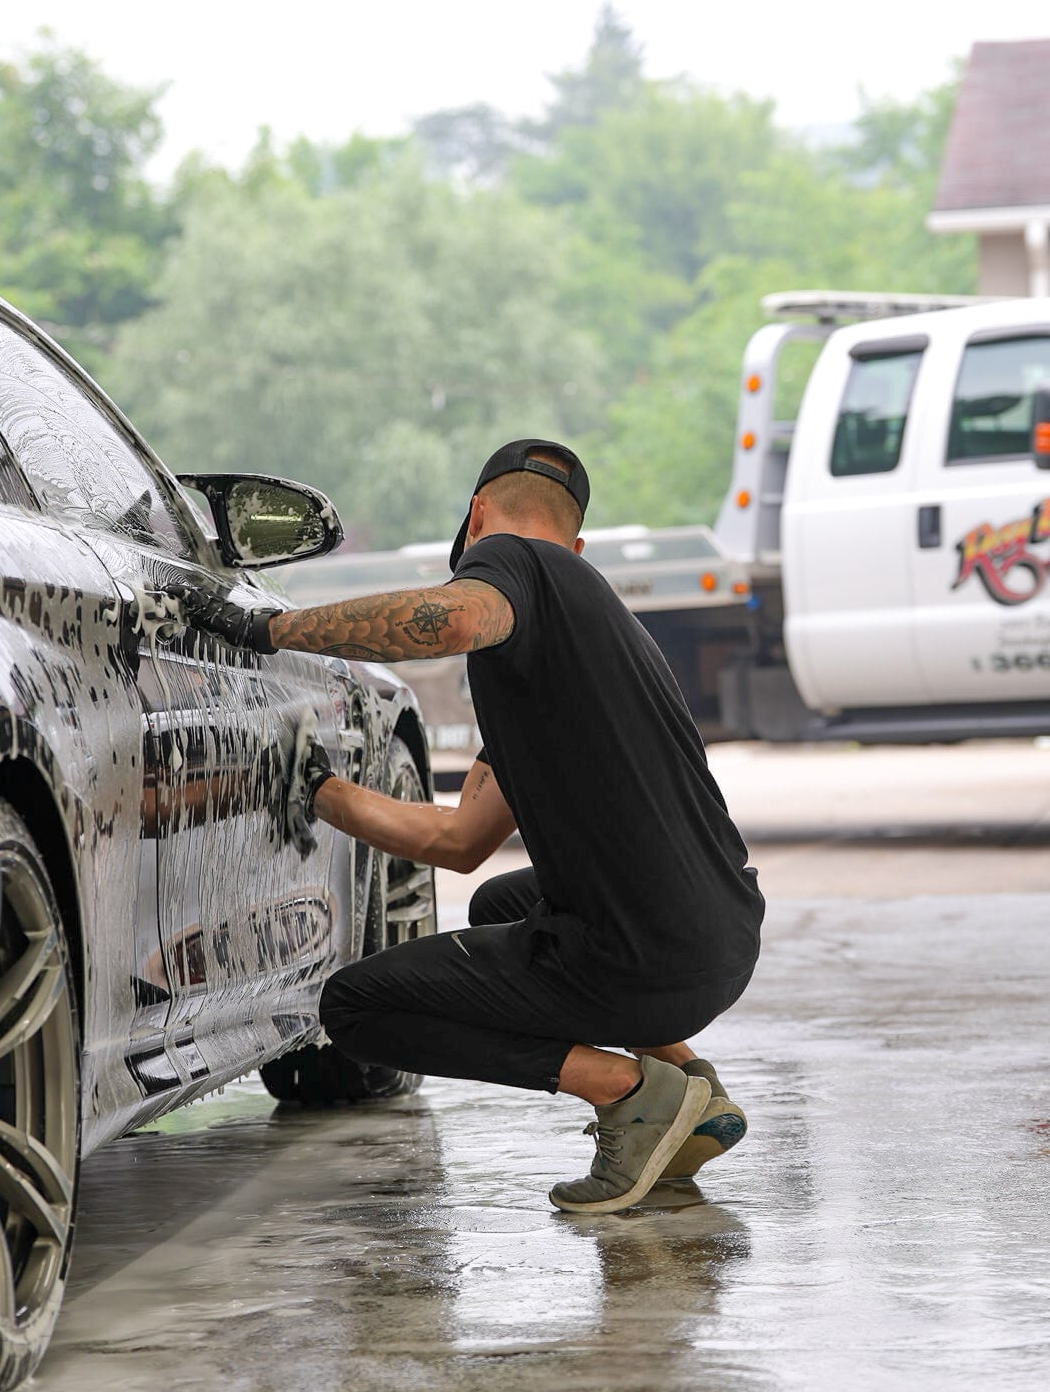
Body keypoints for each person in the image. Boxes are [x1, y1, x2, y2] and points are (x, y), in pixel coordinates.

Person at [179, 439, 764, 1213]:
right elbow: (460, 843)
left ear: (477, 514)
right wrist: (319, 790)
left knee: (355, 1009)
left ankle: (626, 1091)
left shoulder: (521, 563)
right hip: (720, 945)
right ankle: (691, 1085)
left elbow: (448, 620)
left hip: (642, 957)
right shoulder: (588, 643)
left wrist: (268, 629)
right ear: (579, 540)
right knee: (500, 906)